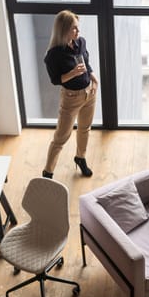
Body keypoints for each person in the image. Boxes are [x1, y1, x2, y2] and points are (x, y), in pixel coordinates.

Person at [42, 10, 98, 179]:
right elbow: (55, 80)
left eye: (78, 28)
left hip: (89, 92)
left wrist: (95, 80)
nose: (78, 32)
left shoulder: (80, 42)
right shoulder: (53, 55)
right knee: (61, 137)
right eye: (74, 28)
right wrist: (73, 73)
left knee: (84, 129)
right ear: (64, 30)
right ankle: (48, 172)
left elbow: (87, 63)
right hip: (71, 98)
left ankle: (80, 158)